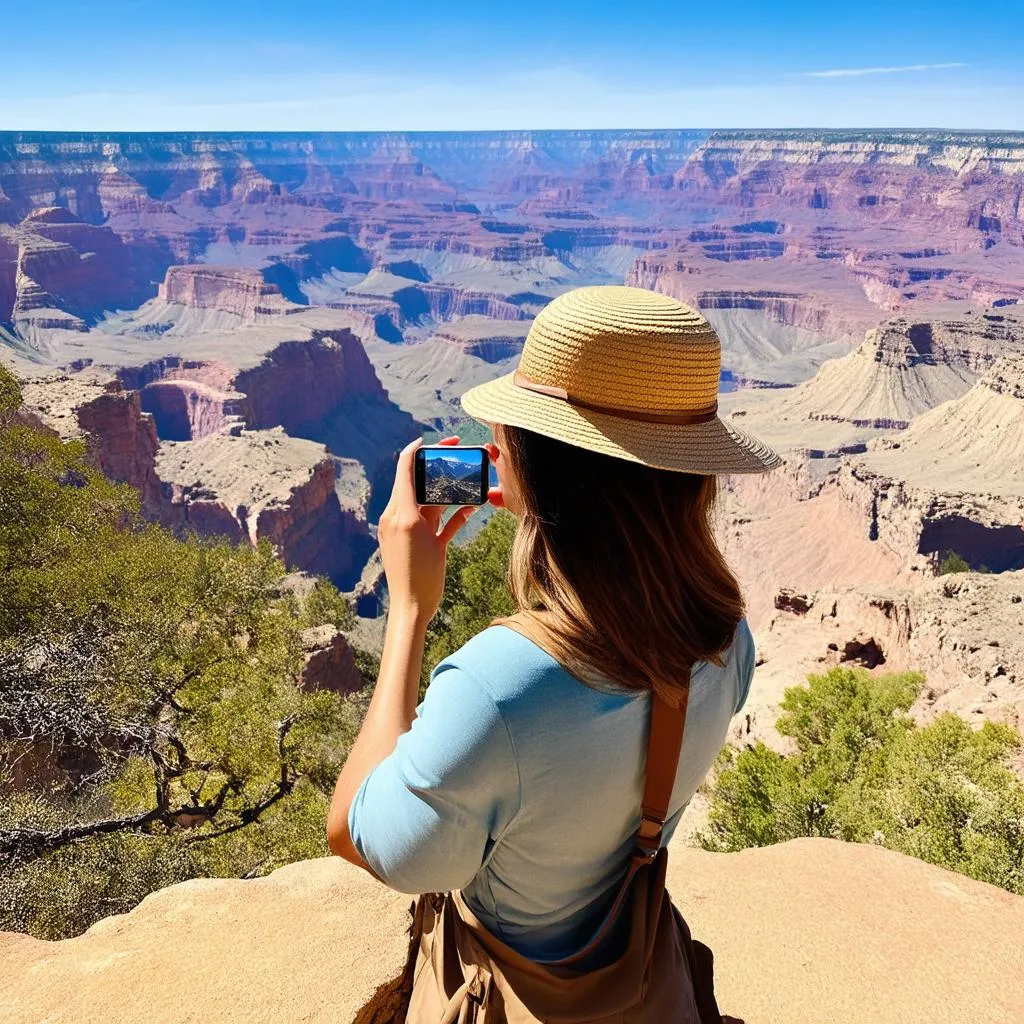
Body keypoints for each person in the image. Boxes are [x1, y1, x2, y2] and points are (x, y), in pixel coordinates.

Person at [327, 285, 778, 985]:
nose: (494, 447)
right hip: (629, 952)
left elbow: (361, 836)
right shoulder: (725, 634)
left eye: (509, 433)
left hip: (519, 985)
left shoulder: (499, 687)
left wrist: (410, 608)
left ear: (536, 459)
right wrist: (561, 518)